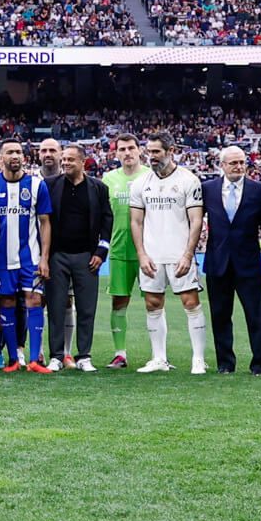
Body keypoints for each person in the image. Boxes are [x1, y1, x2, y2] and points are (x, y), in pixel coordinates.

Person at [128, 132, 207, 374]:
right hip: (152, 255)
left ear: (170, 151)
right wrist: (141, 254)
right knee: (152, 304)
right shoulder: (141, 182)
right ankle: (159, 358)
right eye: (149, 152)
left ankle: (198, 358)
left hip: (179, 253)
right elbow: (136, 222)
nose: (151, 157)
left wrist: (187, 254)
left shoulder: (188, 180)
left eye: (156, 152)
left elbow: (196, 221)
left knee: (190, 302)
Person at [0, 139, 53, 374]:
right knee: (7, 302)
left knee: (35, 301)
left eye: (19, 152)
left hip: (30, 258)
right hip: (1, 260)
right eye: (10, 152)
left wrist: (44, 258)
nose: (15, 156)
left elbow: (45, 223)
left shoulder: (37, 185)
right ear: (0, 159)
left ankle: (34, 360)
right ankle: (12, 359)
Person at [201, 147, 261, 376]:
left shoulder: (259, 191)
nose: (238, 167)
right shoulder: (207, 189)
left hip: (248, 263)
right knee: (220, 315)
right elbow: (195, 221)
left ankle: (260, 365)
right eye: (233, 163)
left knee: (255, 315)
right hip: (217, 262)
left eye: (242, 162)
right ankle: (225, 363)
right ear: (222, 165)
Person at [44, 143, 111, 372]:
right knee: (55, 307)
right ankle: (56, 355)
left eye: (70, 160)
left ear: (83, 162)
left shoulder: (98, 188)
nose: (65, 163)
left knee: (86, 308)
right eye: (64, 159)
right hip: (57, 256)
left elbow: (107, 221)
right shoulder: (50, 185)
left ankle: (84, 356)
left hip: (87, 256)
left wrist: (101, 251)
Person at [99, 133, 146, 367]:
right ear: (116, 153)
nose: (127, 153)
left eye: (131, 148)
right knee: (119, 301)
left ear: (139, 150)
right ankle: (120, 353)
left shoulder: (150, 176)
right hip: (118, 249)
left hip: (148, 251)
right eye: (122, 149)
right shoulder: (108, 180)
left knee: (154, 301)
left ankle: (160, 355)